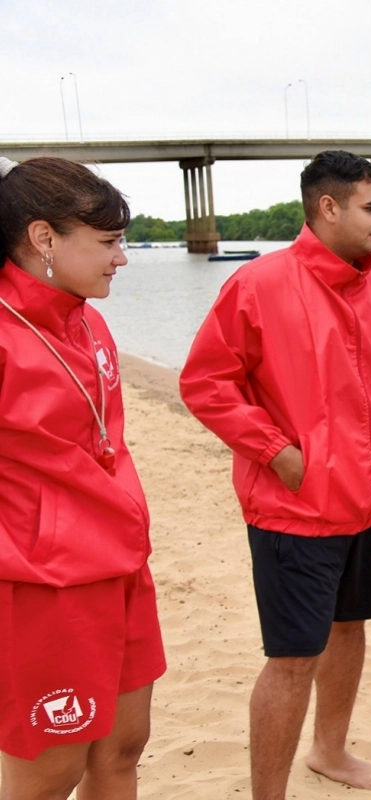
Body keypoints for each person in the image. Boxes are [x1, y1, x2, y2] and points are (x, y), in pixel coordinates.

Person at [179, 151, 371, 799]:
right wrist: (279, 453)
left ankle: (331, 750)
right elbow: (205, 383)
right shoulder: (258, 285)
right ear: (329, 207)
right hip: (296, 509)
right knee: (291, 659)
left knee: (350, 627)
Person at [0, 156, 166, 798]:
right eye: (107, 242)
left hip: (122, 565)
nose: (121, 258)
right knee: (49, 775)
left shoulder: (89, 318)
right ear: (44, 239)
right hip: (42, 586)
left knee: (123, 751)